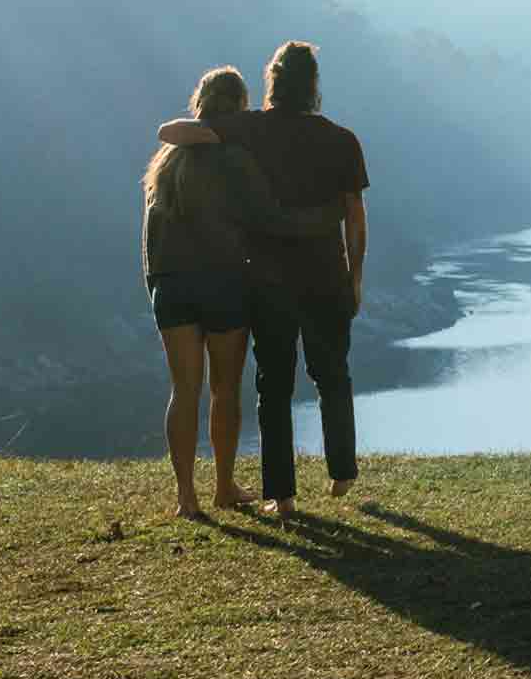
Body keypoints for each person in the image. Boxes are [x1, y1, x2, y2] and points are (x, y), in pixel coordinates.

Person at [142, 66, 342, 519]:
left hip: (171, 287)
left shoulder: (165, 164)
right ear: (237, 108)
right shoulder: (236, 160)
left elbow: (149, 235)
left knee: (184, 390)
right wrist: (324, 221)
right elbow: (269, 218)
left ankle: (185, 497)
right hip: (224, 285)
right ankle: (223, 486)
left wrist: (156, 283)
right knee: (224, 390)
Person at [223, 39, 371, 517]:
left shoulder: (251, 129)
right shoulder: (341, 139)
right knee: (333, 373)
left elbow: (189, 132)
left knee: (274, 384)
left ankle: (281, 495)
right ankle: (342, 470)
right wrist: (355, 276)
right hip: (326, 272)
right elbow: (355, 217)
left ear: (272, 81)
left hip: (268, 279)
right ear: (314, 85)